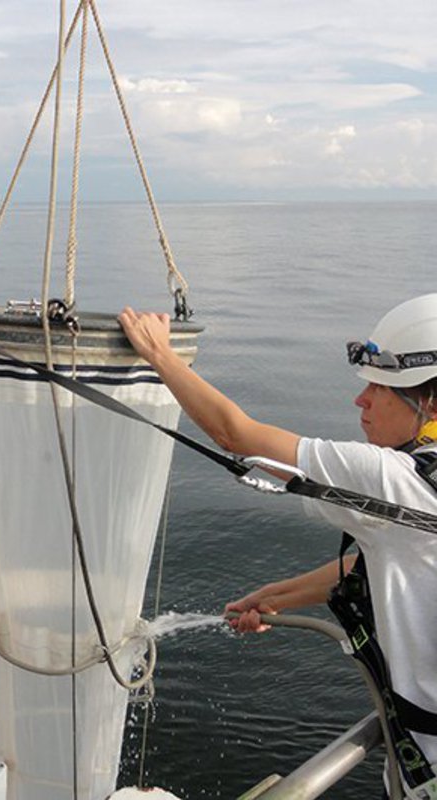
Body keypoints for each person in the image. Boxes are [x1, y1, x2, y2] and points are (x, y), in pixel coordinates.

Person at [119, 295, 437, 799]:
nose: (361, 400)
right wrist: (275, 597)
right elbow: (381, 558)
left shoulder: (395, 481)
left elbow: (235, 434)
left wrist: (160, 354)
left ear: (431, 404)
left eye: (380, 387)